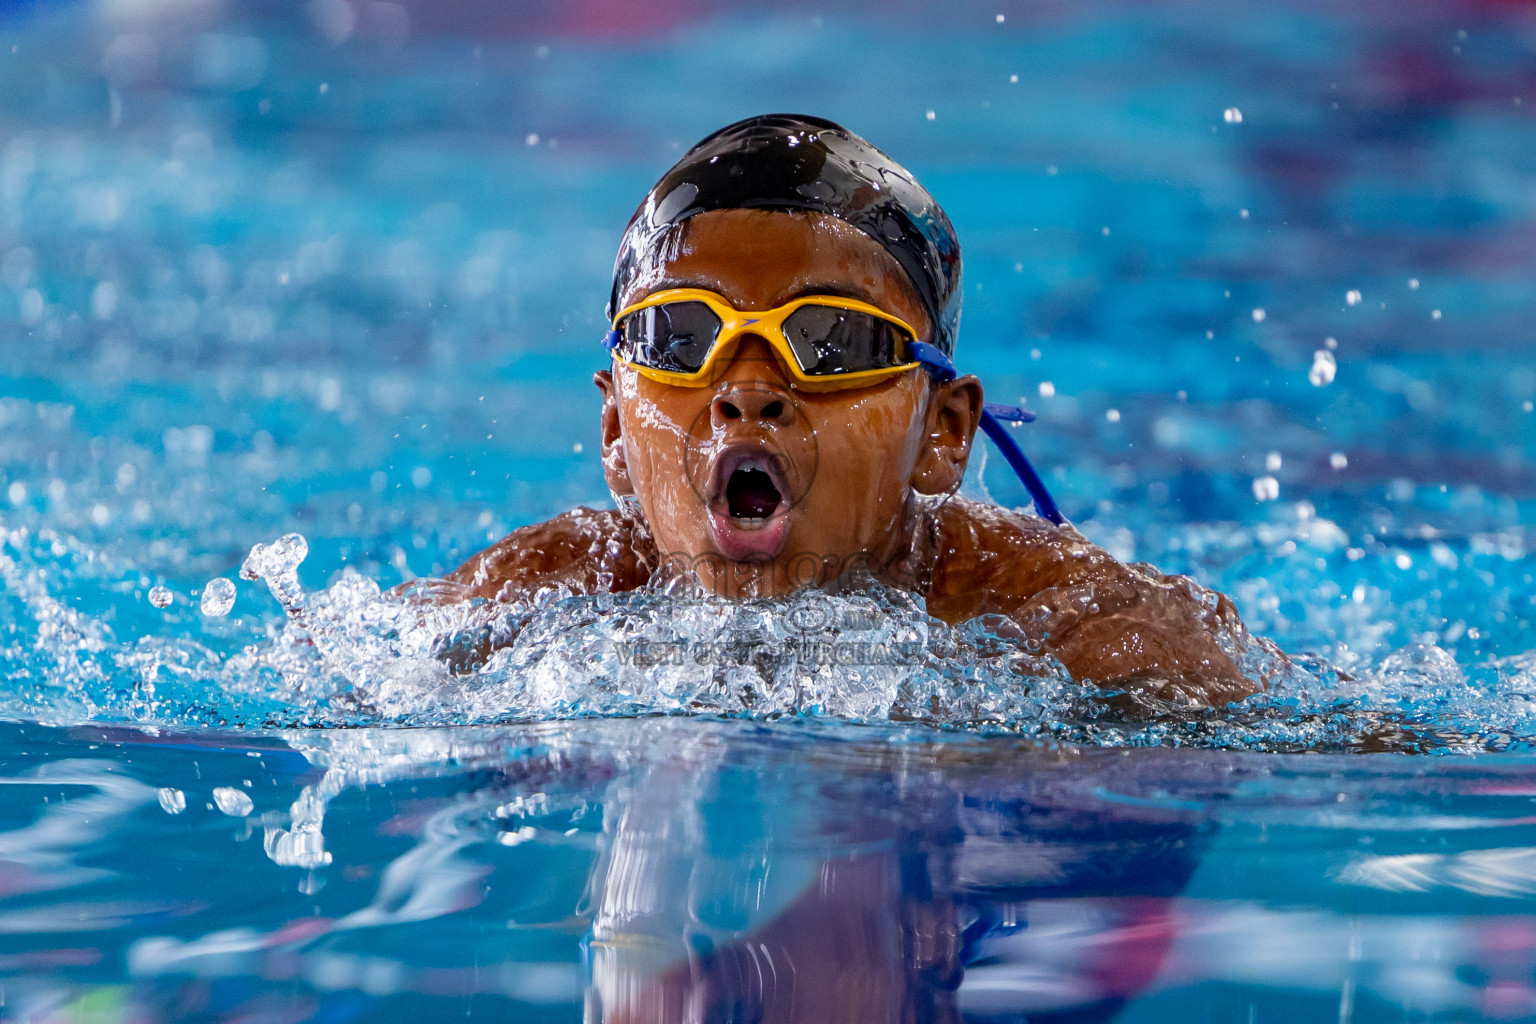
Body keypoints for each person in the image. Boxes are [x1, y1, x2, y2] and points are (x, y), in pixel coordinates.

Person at [448, 113, 1278, 707]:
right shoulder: (546, 595)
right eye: (680, 335)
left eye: (833, 341)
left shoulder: (1072, 631)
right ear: (616, 433)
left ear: (942, 432)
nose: (746, 390)